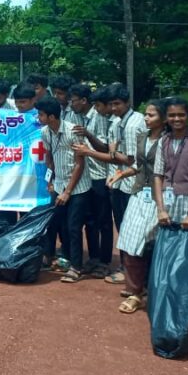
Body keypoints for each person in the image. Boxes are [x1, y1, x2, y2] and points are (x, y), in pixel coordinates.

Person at [107, 101, 166, 313]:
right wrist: (121, 174)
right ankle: (134, 292)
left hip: (162, 197)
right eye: (146, 115)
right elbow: (139, 165)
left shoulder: (170, 141)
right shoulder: (143, 138)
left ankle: (152, 289)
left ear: (164, 118)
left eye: (151, 115)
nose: (146, 118)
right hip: (139, 193)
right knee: (129, 241)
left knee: (154, 245)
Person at [36, 96, 91, 283]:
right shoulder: (45, 132)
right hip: (59, 184)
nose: (38, 117)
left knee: (73, 227)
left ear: (52, 116)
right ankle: (51, 256)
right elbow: (49, 157)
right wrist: (51, 180)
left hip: (78, 187)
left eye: (41, 114)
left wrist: (67, 191)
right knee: (52, 222)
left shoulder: (72, 131)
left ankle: (76, 267)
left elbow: (79, 164)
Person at [67, 83, 113, 278]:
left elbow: (105, 148)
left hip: (101, 175)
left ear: (84, 101)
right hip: (87, 176)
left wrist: (88, 134)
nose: (71, 104)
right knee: (90, 220)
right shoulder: (77, 116)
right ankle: (94, 257)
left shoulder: (99, 117)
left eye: (74, 100)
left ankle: (104, 261)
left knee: (104, 221)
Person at [153, 97, 188, 228]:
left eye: (181, 115)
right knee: (167, 244)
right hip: (167, 201)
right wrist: (161, 210)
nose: (177, 119)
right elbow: (158, 175)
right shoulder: (163, 141)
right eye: (172, 115)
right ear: (166, 118)